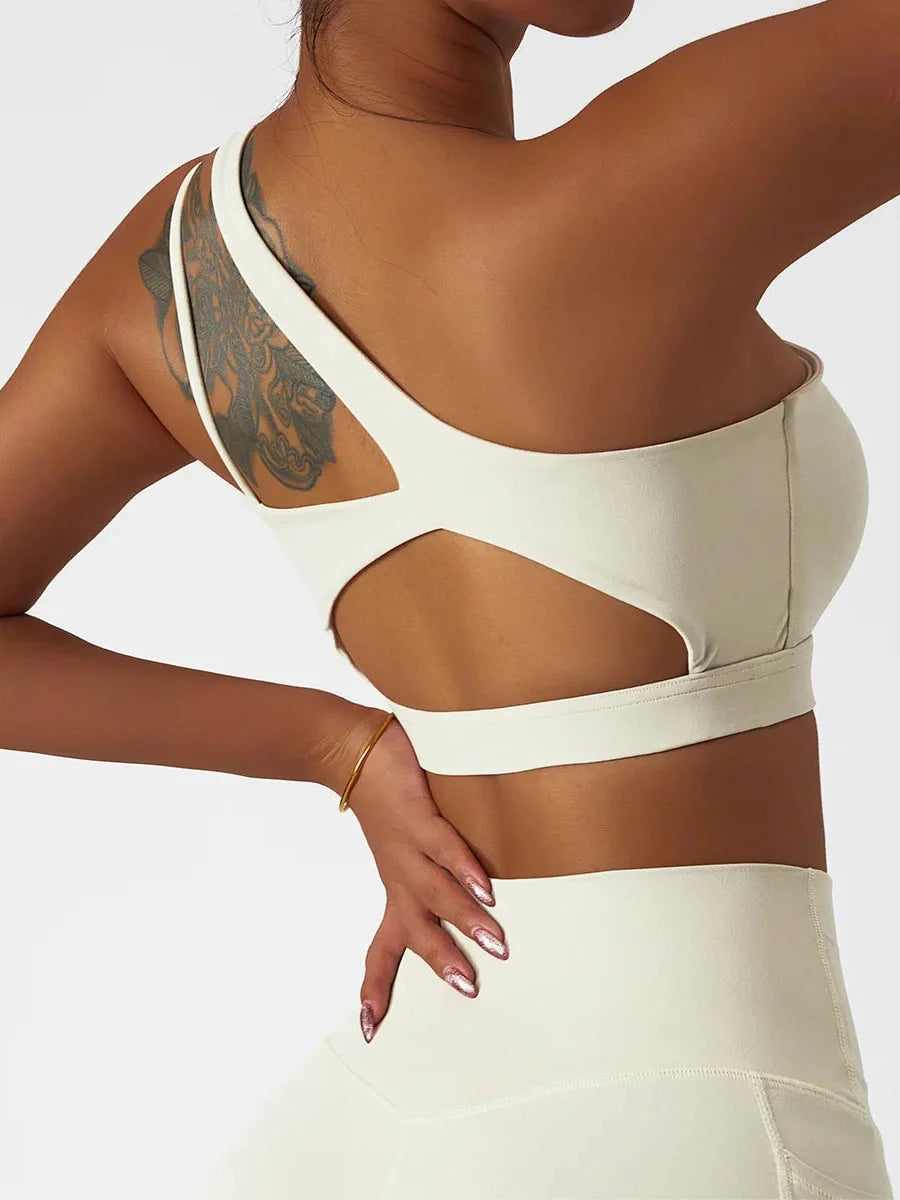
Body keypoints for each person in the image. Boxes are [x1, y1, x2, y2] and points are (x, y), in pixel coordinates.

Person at [1, 0, 897, 1195]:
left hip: (381, 1114)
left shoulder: (176, 270)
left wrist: (341, 750)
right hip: (695, 1118)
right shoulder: (635, 189)